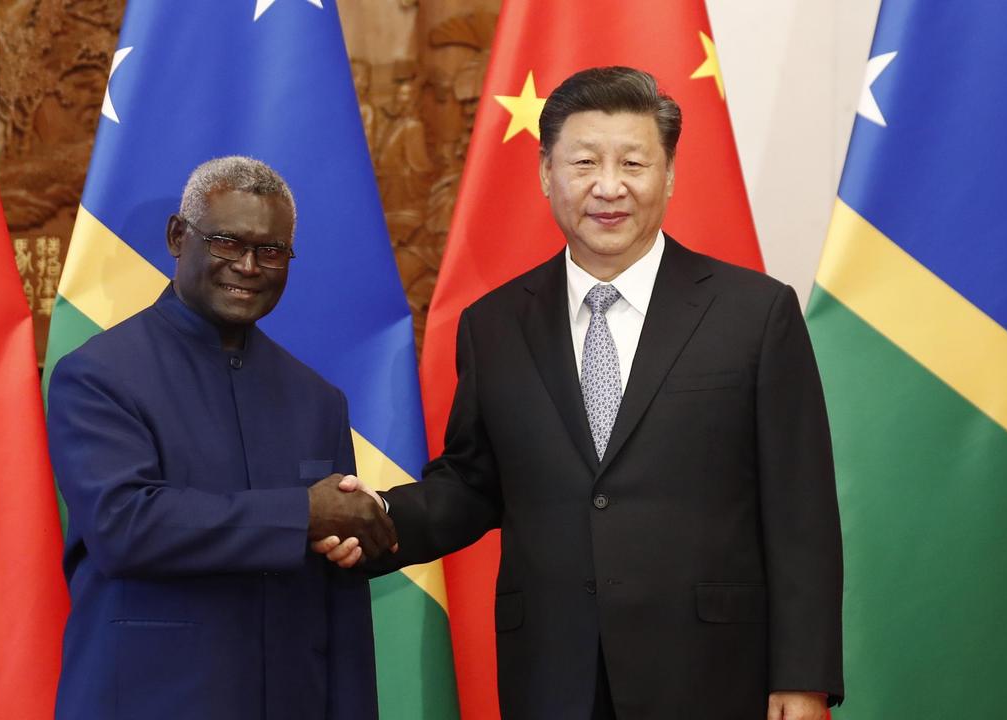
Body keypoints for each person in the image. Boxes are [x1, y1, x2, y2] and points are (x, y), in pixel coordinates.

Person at [321, 66, 844, 719]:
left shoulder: (755, 313)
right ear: (546, 174)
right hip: (552, 669)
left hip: (710, 669)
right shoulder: (495, 325)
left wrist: (803, 676)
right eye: (585, 162)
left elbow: (802, 509)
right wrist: (377, 522)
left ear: (670, 174)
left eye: (633, 162)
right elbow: (473, 484)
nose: (608, 186)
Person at [48, 156, 397, 720]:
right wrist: (304, 514)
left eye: (272, 251)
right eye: (228, 243)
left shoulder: (318, 399)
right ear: (177, 237)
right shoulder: (99, 376)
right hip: (149, 701)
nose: (250, 266)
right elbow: (124, 525)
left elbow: (339, 596)